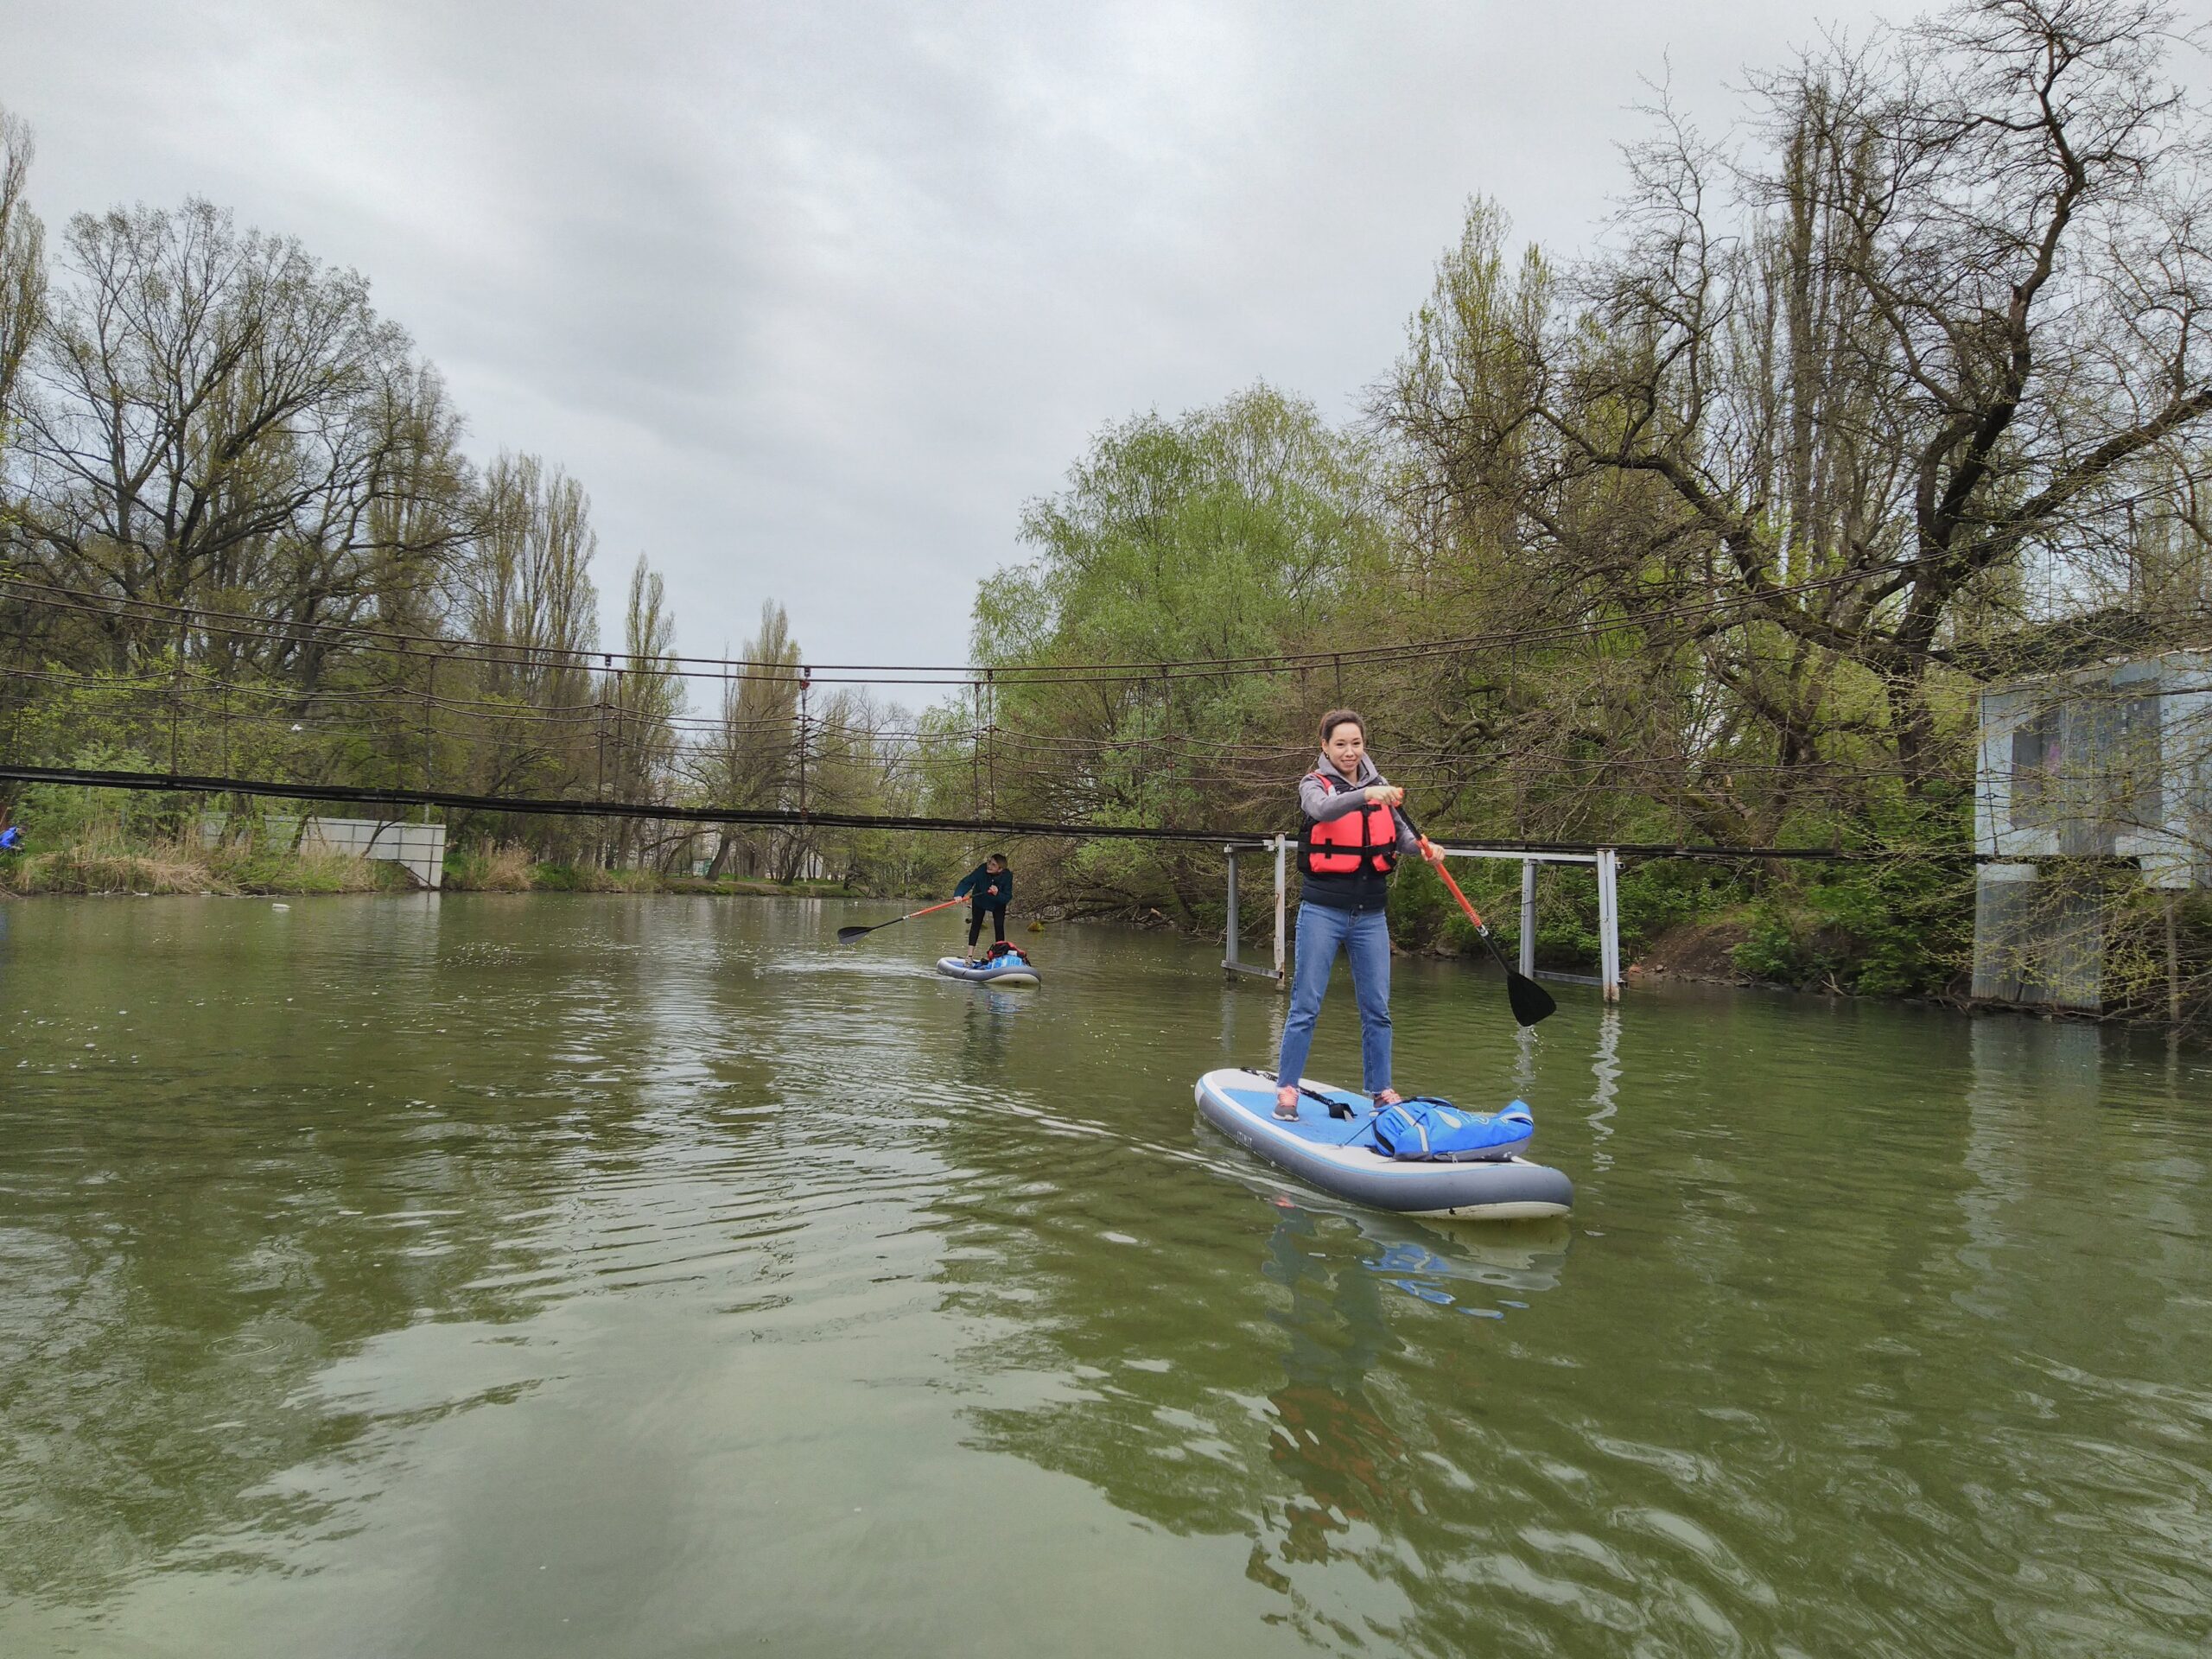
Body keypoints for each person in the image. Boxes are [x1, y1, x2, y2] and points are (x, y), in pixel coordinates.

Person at [1274, 709, 1433, 1120]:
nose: (1350, 751)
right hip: (1322, 912)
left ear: (1364, 745)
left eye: (1356, 743)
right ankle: (1287, 1089)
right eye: (1341, 744)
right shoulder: (1313, 784)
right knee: (1305, 1006)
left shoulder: (1381, 789)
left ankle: (1381, 1091)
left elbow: (1401, 837)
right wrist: (1365, 795)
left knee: (1377, 1010)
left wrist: (1425, 849)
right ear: (1325, 746)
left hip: (1370, 917)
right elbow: (1324, 811)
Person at [953, 852, 1013, 963]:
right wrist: (959, 894)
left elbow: (1007, 896)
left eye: (993, 865)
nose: (989, 865)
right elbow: (968, 881)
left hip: (997, 902)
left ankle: (999, 957)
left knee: (999, 926)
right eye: (989, 862)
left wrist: (997, 894)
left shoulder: (1007, 876)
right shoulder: (982, 870)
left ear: (1000, 869)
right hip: (980, 900)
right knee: (976, 924)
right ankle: (969, 956)